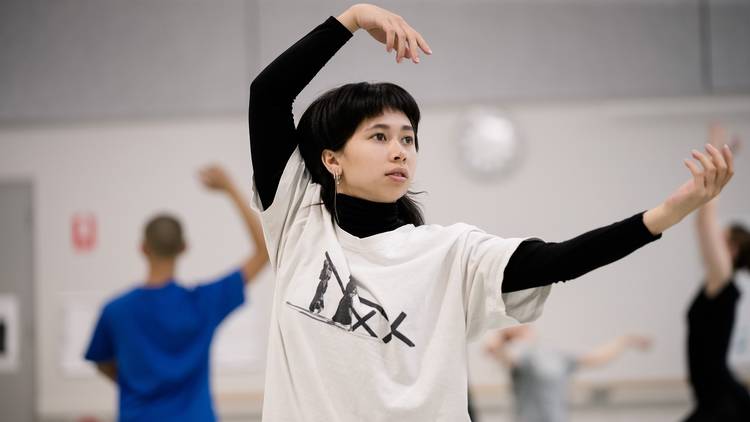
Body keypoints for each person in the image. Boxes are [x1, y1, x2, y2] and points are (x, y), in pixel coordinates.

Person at [247, 4, 734, 420]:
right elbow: (267, 96)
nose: (400, 151)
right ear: (332, 159)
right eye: (379, 136)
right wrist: (352, 18)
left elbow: (559, 260)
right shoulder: (298, 218)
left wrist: (668, 213)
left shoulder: (451, 252)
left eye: (408, 139)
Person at [84, 165, 268, 422]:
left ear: (143, 248)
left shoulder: (116, 311)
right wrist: (230, 190)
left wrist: (133, 381)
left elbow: (101, 362)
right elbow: (264, 250)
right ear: (184, 247)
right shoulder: (204, 302)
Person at [684, 125, 750, 422]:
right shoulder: (719, 284)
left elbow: (703, 221)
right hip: (715, 399)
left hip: (721, 404)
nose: (712, 239)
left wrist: (716, 150)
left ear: (732, 250)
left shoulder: (723, 280)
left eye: (720, 237)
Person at [485, 325, 651, 422]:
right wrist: (503, 334)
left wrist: (625, 341)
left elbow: (596, 358)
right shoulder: (522, 358)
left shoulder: (556, 355)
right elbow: (494, 350)